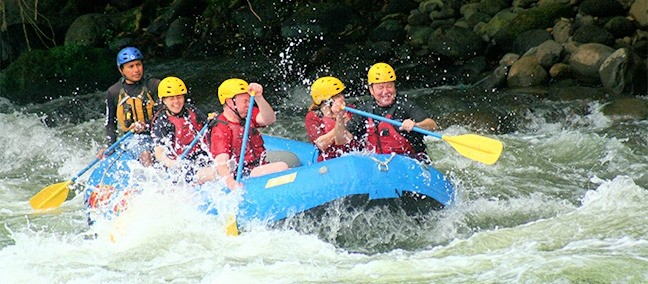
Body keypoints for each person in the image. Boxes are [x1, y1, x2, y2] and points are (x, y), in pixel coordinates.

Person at [209, 78, 288, 190]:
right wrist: (231, 183)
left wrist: (259, 98)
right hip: (243, 175)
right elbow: (221, 162)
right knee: (282, 166)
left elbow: (269, 120)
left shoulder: (247, 114)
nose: (248, 104)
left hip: (258, 166)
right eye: (245, 101)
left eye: (249, 100)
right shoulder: (220, 129)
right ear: (230, 102)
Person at [347, 62, 438, 159]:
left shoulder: (404, 105)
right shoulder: (364, 110)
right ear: (371, 90)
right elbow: (344, 138)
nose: (385, 92)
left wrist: (416, 125)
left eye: (389, 86)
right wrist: (339, 118)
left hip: (410, 162)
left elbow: (432, 125)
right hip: (377, 163)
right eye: (380, 87)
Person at [98, 47, 160, 167]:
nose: (136, 70)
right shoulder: (113, 92)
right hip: (132, 139)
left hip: (156, 134)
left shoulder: (153, 85)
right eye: (131, 66)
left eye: (138, 65)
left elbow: (163, 115)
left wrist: (146, 125)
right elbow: (110, 123)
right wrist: (110, 146)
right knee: (145, 154)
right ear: (121, 70)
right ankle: (150, 181)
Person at [151, 76, 216, 184]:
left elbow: (207, 125)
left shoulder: (191, 109)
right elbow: (159, 152)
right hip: (180, 164)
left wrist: (212, 120)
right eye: (171, 98)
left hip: (200, 155)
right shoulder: (161, 122)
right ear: (164, 100)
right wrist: (174, 164)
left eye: (179, 97)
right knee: (215, 174)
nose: (176, 102)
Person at [305, 76, 359, 161]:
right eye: (337, 96)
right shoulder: (313, 117)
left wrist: (340, 116)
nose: (342, 98)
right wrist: (340, 120)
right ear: (326, 101)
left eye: (341, 94)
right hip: (329, 161)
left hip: (354, 155)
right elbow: (321, 144)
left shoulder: (351, 110)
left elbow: (345, 139)